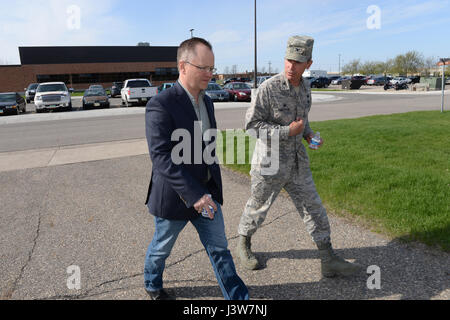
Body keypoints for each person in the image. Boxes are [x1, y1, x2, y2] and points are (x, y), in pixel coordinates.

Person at [236, 35, 363, 278]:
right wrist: (287, 131)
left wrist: (309, 134)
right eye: (288, 60)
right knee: (257, 208)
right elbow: (252, 126)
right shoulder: (269, 88)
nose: (291, 66)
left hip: (297, 162)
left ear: (308, 64)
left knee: (314, 208)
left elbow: (303, 121)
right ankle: (243, 244)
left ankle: (328, 258)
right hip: (269, 163)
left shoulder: (305, 88)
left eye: (297, 62)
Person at [144, 37, 249, 300]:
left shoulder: (208, 102)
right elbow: (161, 157)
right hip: (175, 198)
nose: (210, 74)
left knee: (220, 249)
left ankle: (238, 299)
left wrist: (208, 188)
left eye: (212, 68)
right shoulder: (161, 104)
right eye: (203, 68)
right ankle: (152, 283)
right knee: (161, 248)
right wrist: (194, 195)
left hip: (207, 194)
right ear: (183, 66)